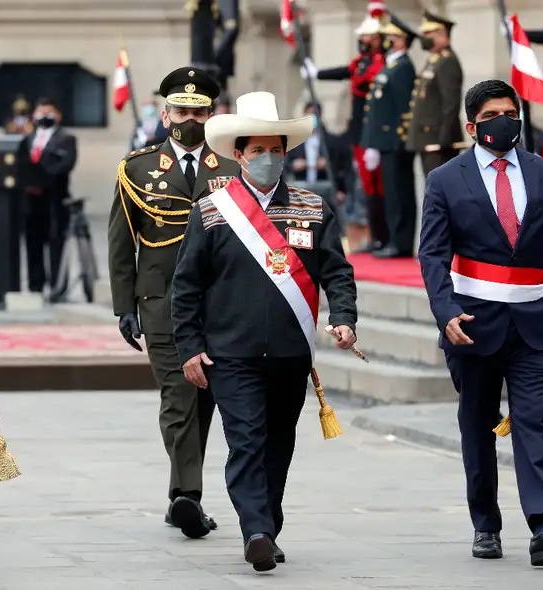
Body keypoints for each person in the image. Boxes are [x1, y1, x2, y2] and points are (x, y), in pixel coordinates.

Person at [172, 91, 358, 572]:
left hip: (292, 353)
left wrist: (344, 316)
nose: (268, 159)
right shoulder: (213, 210)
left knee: (279, 443)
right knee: (247, 441)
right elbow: (186, 286)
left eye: (276, 149)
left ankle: (267, 524)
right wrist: (190, 347)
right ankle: (255, 531)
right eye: (258, 151)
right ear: (239, 154)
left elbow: (336, 271)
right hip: (231, 354)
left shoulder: (312, 208)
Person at [418, 79, 543, 566]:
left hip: (538, 321)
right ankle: (485, 525)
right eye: (493, 113)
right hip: (473, 323)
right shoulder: (446, 179)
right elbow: (432, 254)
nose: (505, 120)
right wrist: (446, 312)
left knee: (535, 420)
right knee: (478, 425)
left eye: (511, 112)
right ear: (472, 125)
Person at [108, 66, 241, 539]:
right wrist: (124, 306)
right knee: (180, 394)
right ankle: (188, 496)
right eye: (182, 110)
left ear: (213, 115)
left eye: (200, 111)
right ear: (165, 115)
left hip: (219, 304)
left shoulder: (232, 169)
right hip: (161, 301)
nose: (190, 119)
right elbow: (122, 243)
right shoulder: (137, 168)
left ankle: (178, 495)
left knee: (204, 400)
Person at [302, 3, 387, 253]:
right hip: (360, 134)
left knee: (376, 187)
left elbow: (361, 80)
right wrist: (317, 73)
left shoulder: (378, 64)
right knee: (366, 187)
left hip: (373, 135)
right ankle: (376, 237)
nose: (362, 39)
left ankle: (383, 236)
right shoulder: (363, 62)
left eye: (366, 36)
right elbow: (345, 71)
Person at [360, 12, 417, 259]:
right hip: (385, 142)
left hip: (395, 141)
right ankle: (394, 239)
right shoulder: (391, 65)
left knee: (399, 192)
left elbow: (403, 109)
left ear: (401, 41)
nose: (385, 41)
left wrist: (395, 140)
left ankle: (401, 242)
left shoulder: (403, 67)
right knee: (392, 193)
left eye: (390, 37)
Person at [16, 98, 78, 298]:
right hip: (30, 200)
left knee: (55, 242)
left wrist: (41, 180)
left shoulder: (66, 139)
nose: (43, 116)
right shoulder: (27, 139)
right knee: (33, 243)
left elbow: (65, 164)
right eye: (40, 112)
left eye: (48, 112)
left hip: (54, 199)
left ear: (57, 115)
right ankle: (35, 285)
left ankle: (57, 286)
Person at [407, 12, 464, 180]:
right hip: (427, 138)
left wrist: (444, 138)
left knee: (440, 189)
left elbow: (451, 103)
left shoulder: (448, 62)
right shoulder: (434, 60)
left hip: (438, 139)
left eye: (428, 34)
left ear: (442, 35)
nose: (424, 38)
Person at [284, 102, 352, 208]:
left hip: (324, 188)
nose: (312, 117)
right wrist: (294, 165)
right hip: (301, 187)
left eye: (315, 114)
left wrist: (328, 166)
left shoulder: (331, 142)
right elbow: (285, 165)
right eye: (309, 114)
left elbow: (342, 166)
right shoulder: (294, 142)